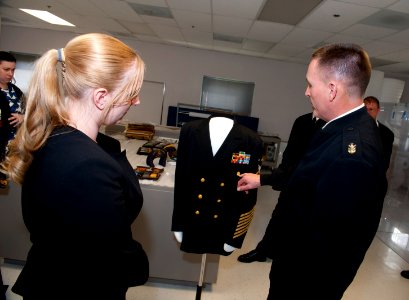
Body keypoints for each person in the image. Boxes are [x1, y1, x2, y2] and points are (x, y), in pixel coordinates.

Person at [1, 33, 149, 300]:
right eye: (132, 93)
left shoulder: (52, 136)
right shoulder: (87, 165)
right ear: (101, 97)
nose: (136, 101)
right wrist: (139, 265)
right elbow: (114, 254)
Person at [238, 43, 387, 299]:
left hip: (306, 282)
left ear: (332, 90)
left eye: (310, 84)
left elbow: (331, 243)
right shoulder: (337, 129)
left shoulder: (351, 154)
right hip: (295, 265)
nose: (306, 92)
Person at [237, 112, 326, 263]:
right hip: (290, 179)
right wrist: (280, 176)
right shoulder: (302, 120)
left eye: (312, 87)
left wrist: (265, 179)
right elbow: (290, 152)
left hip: (312, 186)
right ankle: (263, 250)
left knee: (303, 224)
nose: (308, 93)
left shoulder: (331, 126)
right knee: (279, 216)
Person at [0, 51, 25, 188]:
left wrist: (23, 117)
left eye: (13, 70)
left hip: (14, 150)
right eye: (6, 69)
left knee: (9, 186)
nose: (10, 73)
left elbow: (30, 113)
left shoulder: (16, 91)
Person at [363, 96, 394, 170]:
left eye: (371, 109)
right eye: (365, 109)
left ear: (378, 110)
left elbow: (385, 164)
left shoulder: (387, 134)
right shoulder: (350, 129)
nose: (367, 112)